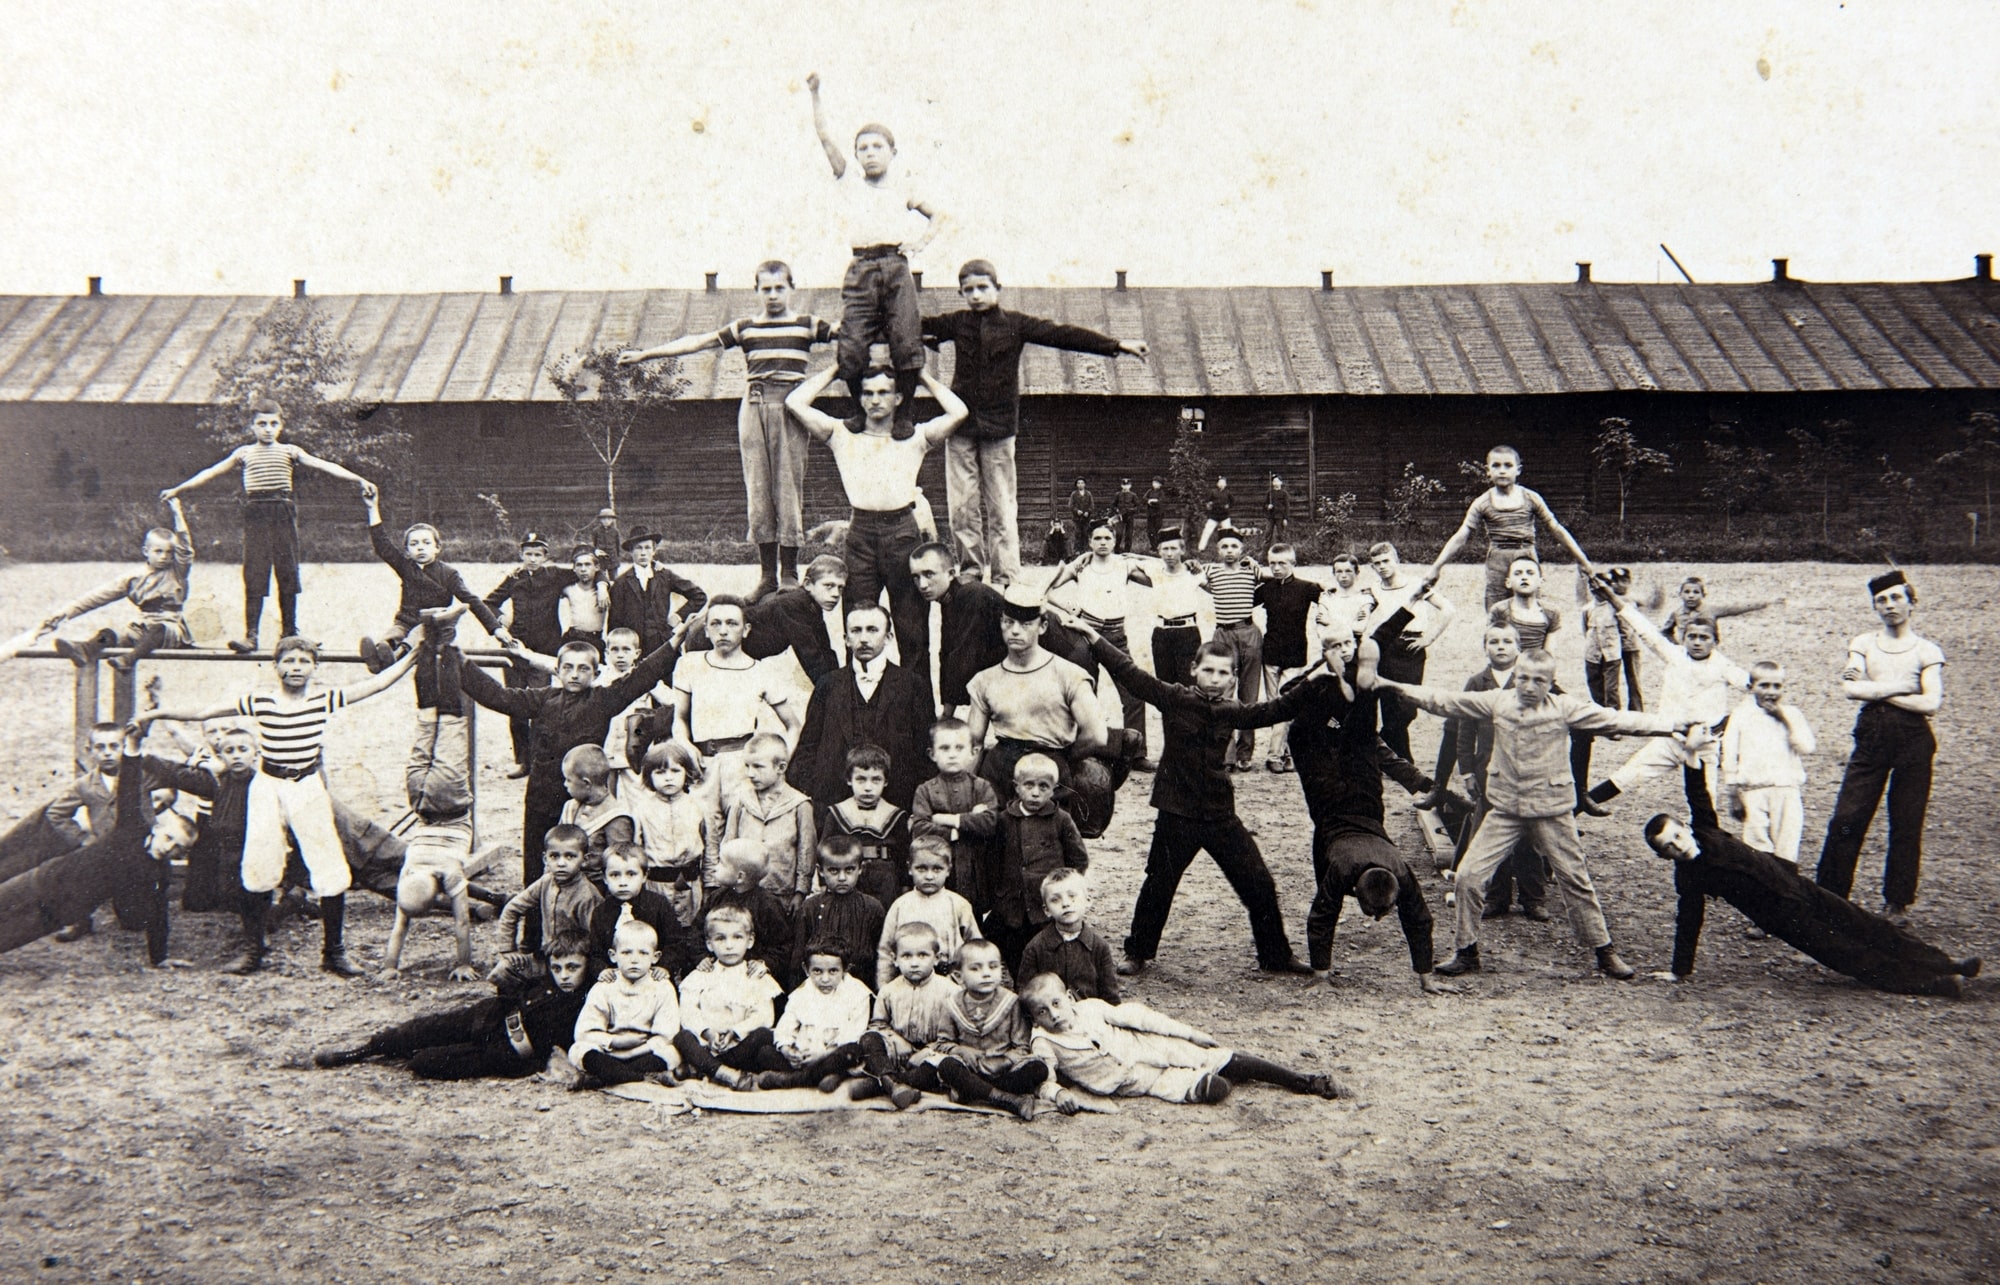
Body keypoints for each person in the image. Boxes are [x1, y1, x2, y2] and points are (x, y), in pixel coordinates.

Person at [1365, 647, 1697, 979]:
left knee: (1575, 879)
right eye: (1523, 678)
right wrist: (1388, 685)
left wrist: (1671, 726)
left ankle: (1604, 951)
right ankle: (1466, 951)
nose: (1528, 686)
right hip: (1506, 810)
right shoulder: (1498, 701)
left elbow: (1620, 719)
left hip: (1550, 811)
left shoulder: (1565, 708)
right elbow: (1443, 701)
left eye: (1538, 680)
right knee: (1467, 876)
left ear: (1551, 683)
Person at [138, 630, 427, 976]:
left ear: (315, 668)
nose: (296, 667)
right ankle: (253, 950)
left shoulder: (324, 699)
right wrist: (156, 714)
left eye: (304, 661)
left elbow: (377, 685)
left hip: (306, 786)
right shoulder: (262, 701)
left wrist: (415, 655)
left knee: (330, 867)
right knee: (258, 865)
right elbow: (205, 711)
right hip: (267, 787)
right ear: (275, 666)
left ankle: (333, 952)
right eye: (288, 661)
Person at [1071, 620, 1319, 978]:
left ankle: (1275, 957)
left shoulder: (1235, 710)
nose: (1215, 678)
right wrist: (1094, 638)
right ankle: (1138, 953)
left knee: (1259, 882)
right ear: (1194, 671)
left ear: (1234, 678)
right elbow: (1131, 674)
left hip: (1219, 814)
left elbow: (1279, 708)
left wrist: (1320, 675)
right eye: (1208, 671)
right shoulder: (1175, 697)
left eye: (1223, 673)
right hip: (1176, 813)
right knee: (1159, 883)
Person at [1647, 751, 1978, 997]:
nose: (1678, 847)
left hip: (1801, 888)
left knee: (1868, 925)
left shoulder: (1705, 828)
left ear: (1685, 828)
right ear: (1665, 857)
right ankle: (1937, 984)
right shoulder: (1689, 879)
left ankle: (1948, 963)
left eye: (1677, 836)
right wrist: (1679, 971)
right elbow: (1689, 923)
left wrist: (1692, 755)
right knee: (1851, 955)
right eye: (1668, 848)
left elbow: (1697, 793)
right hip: (1785, 920)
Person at [618, 259, 837, 598]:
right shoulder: (746, 327)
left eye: (780, 288)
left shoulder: (808, 326)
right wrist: (646, 354)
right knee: (759, 489)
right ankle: (767, 575)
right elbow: (698, 342)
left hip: (792, 409)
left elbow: (851, 334)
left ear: (792, 288)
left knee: (788, 487)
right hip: (753, 406)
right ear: (757, 291)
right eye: (767, 289)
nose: (774, 295)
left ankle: (790, 572)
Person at [455, 618, 687, 883]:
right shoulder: (542, 699)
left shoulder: (602, 700)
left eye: (582, 669)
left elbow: (641, 677)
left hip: (582, 801)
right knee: (536, 865)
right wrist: (462, 664)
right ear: (558, 670)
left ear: (595, 673)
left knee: (583, 866)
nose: (574, 674)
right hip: (541, 797)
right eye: (568, 667)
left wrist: (675, 641)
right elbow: (499, 697)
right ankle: (535, 924)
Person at [1281, 626, 1446, 992]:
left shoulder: (1398, 871)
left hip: (1352, 801)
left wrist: (1423, 783)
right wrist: (1426, 977)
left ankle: (1363, 691)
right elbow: (1417, 920)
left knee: (1354, 731)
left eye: (1346, 647)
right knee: (1329, 729)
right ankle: (1361, 692)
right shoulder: (1369, 871)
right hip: (1337, 787)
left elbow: (1325, 914)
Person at [785, 361, 969, 666]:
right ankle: (859, 708)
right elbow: (795, 402)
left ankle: (918, 711)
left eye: (884, 392)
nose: (875, 399)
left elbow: (959, 412)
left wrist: (921, 376)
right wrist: (837, 369)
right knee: (858, 626)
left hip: (903, 532)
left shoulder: (915, 437)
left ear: (898, 397)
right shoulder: (840, 434)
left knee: (912, 630)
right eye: (867, 392)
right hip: (860, 535)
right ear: (859, 397)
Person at [159, 398, 372, 652]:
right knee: (255, 571)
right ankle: (251, 636)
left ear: (281, 426)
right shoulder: (244, 453)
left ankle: (290, 633)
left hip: (282, 510)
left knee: (287, 571)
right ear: (252, 426)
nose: (267, 429)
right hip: (256, 513)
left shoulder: (290, 451)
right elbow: (212, 471)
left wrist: (359, 479)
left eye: (273, 423)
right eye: (261, 424)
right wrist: (178, 488)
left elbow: (324, 465)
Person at [807, 72, 946, 435]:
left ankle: (906, 414)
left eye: (877, 147)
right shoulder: (848, 181)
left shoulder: (903, 185)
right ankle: (856, 410)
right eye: (863, 148)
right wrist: (816, 93)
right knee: (851, 348)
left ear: (892, 152)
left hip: (897, 269)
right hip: (861, 270)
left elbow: (938, 215)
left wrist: (918, 244)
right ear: (855, 155)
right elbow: (824, 136)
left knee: (906, 345)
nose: (869, 154)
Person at [0, 723, 194, 965]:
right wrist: (133, 746)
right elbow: (129, 787)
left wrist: (160, 958)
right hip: (43, 880)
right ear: (157, 827)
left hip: (62, 911)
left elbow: (158, 915)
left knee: (8, 937)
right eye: (168, 839)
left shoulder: (158, 871)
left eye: (177, 849)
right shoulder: (131, 827)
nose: (168, 848)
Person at [1814, 570, 1944, 922]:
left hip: (1914, 742)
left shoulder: (1927, 650)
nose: (1889, 605)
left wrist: (1879, 688)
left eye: (1896, 598)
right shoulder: (1864, 643)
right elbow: (1850, 688)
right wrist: (1902, 687)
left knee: (1906, 822)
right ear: (1875, 607)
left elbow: (1931, 703)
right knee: (1847, 817)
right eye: (1881, 600)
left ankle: (1897, 902)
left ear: (1911, 602)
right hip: (1871, 738)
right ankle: (1829, 898)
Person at [1020, 975, 1346, 1109]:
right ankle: (1208, 1080)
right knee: (1211, 1089)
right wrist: (1058, 1093)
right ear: (1035, 1017)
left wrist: (1189, 1033)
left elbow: (1142, 1017)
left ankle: (1302, 1080)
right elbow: (1040, 1078)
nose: (1054, 1014)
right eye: (1043, 1011)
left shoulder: (1091, 1008)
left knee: (1222, 1057)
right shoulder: (1044, 1041)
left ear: (1069, 997)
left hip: (1149, 1046)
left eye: (1057, 1003)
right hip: (1137, 1081)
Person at [312, 930, 595, 1081]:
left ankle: (403, 1054)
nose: (564, 975)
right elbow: (508, 989)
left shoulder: (587, 1003)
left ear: (587, 966)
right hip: (488, 1017)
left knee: (426, 1062)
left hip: (503, 1050)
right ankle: (361, 1052)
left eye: (573, 967)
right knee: (424, 1027)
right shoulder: (543, 981)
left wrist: (527, 1065)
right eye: (557, 968)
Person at [1581, 582, 1749, 815]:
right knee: (1625, 776)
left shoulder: (1724, 666)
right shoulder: (1674, 654)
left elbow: (1752, 685)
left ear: (1715, 642)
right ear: (1684, 638)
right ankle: (1571, 814)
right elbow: (1642, 626)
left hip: (1703, 746)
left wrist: (1730, 720)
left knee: (1705, 801)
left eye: (1704, 637)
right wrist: (1610, 595)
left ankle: (1705, 847)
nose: (1697, 642)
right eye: (1692, 637)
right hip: (1669, 740)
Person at [965, 586, 1116, 834]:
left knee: (1048, 853)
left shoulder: (1070, 675)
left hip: (1050, 774)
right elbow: (974, 743)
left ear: (1043, 626)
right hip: (1000, 773)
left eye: (1025, 624)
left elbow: (1097, 734)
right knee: (997, 852)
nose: (1015, 630)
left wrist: (1063, 758)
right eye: (1008, 622)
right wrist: (967, 792)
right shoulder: (984, 680)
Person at [1433, 620, 1549, 920]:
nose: (1500, 647)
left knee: (1529, 836)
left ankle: (1533, 898)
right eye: (1494, 642)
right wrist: (1468, 771)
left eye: (1507, 642)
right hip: (1489, 773)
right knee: (1491, 836)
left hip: (1526, 772)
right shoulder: (1476, 683)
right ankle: (1496, 898)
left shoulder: (1530, 680)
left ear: (1519, 647)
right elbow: (1464, 730)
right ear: (1485, 647)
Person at [787, 603, 934, 819]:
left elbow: (925, 749)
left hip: (896, 802)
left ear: (889, 636)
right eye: (856, 631)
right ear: (846, 639)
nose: (864, 638)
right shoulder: (828, 684)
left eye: (872, 630)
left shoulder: (913, 685)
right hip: (833, 803)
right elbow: (808, 745)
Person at [663, 595, 799, 816]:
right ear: (706, 630)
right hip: (702, 765)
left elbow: (793, 725)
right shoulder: (690, 663)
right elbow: (679, 717)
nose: (723, 631)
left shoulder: (760, 671)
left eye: (732, 623)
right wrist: (685, 745)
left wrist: (778, 764)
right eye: (715, 623)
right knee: (703, 833)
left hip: (742, 768)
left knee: (741, 833)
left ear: (745, 630)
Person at [358, 487, 511, 681]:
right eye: (414, 544)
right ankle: (381, 655)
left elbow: (472, 601)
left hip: (436, 627)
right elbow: (383, 546)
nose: (420, 547)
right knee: (394, 633)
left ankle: (391, 659)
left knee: (417, 634)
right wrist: (372, 508)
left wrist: (496, 629)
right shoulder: (406, 567)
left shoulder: (449, 574)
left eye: (426, 543)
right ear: (406, 551)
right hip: (406, 622)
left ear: (437, 547)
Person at [1426, 444, 1596, 610]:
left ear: (1518, 470)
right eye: (1496, 465)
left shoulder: (1531, 498)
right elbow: (1461, 536)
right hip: (1498, 559)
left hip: (1527, 555)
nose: (1502, 470)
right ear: (1488, 471)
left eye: (1508, 465)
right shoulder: (1482, 502)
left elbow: (1556, 529)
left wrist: (1583, 561)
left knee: (1530, 611)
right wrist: (1436, 568)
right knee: (1497, 611)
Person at [39, 498, 194, 672]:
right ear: (146, 551)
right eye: (158, 551)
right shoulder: (133, 578)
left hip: (171, 628)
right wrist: (64, 613)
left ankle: (129, 660)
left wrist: (177, 513)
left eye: (169, 552)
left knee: (158, 629)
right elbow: (96, 597)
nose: (164, 556)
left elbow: (186, 550)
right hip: (141, 627)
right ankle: (84, 649)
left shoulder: (177, 572)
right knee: (109, 634)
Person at [1046, 521, 1154, 761]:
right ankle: (1086, 752)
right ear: (1090, 542)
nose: (1103, 543)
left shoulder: (1124, 565)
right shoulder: (1081, 566)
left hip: (1117, 636)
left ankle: (1137, 755)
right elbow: (1047, 588)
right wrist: (1066, 606)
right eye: (1098, 538)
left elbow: (1160, 577)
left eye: (1107, 538)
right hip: (1085, 634)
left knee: (1134, 693)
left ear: (1115, 542)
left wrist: (1136, 556)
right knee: (1085, 693)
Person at [906, 937, 1049, 1119]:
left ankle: (974, 1091)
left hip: (1003, 1070)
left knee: (1037, 1069)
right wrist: (961, 1050)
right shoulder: (952, 1005)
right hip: (970, 1068)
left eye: (993, 967)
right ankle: (1006, 1099)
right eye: (975, 968)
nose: (986, 974)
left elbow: (1022, 1046)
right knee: (947, 1066)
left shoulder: (1011, 1002)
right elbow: (943, 1043)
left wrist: (1005, 1060)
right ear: (959, 976)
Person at [987, 753, 1090, 973]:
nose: (1035, 793)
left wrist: (1063, 886)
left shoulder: (1060, 819)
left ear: (1053, 789)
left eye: (1043, 787)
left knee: (1046, 951)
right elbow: (994, 859)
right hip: (1013, 902)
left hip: (1044, 903)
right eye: (1029, 785)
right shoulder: (1005, 819)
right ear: (1017, 787)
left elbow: (1078, 857)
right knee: (1014, 948)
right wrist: (999, 893)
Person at [483, 532, 572, 776]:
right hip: (515, 650)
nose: (532, 559)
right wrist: (501, 621)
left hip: (543, 651)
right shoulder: (514, 579)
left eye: (537, 554)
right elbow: (487, 603)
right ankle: (522, 761)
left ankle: (538, 760)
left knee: (539, 705)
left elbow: (593, 567)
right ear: (521, 554)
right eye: (528, 554)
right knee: (515, 705)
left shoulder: (555, 576)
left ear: (546, 557)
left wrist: (602, 584)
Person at [672, 904, 787, 1088]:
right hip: (707, 1045)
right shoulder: (701, 975)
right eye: (720, 938)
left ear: (750, 941)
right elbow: (688, 1012)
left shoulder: (756, 976)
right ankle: (726, 1073)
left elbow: (764, 1016)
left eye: (737, 937)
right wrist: (707, 1033)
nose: (729, 945)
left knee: (764, 1035)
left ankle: (706, 1069)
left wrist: (735, 1032)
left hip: (739, 1047)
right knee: (682, 1037)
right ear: (709, 944)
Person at [1365, 542, 1456, 763]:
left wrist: (1429, 638)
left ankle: (1381, 749)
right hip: (1386, 648)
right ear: (1372, 567)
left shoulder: (1415, 585)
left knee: (1407, 706)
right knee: (1389, 702)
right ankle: (1402, 759)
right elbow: (1361, 612)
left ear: (1397, 561)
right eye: (1377, 564)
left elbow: (1448, 609)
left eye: (1386, 561)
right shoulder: (1374, 589)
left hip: (1411, 647)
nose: (1382, 567)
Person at [1719, 662, 1817, 867]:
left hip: (1786, 791)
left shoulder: (1792, 714)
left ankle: (1786, 893)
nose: (1770, 692)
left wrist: (1783, 719)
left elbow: (1807, 747)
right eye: (1764, 685)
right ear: (1751, 687)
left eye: (1776, 686)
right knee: (1757, 849)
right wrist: (1733, 793)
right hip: (1754, 792)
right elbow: (1729, 755)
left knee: (1786, 850)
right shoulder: (1741, 715)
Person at [568, 918, 684, 1088]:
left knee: (671, 1053)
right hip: (609, 1051)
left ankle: (606, 1078)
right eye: (626, 953)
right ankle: (637, 1077)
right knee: (578, 1050)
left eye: (643, 953)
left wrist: (641, 1047)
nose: (634, 960)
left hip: (645, 1050)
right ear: (613, 956)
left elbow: (667, 1033)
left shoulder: (662, 987)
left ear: (655, 957)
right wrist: (613, 1041)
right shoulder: (604, 986)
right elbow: (584, 1031)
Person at [858, 923, 962, 1109]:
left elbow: (955, 1034)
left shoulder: (950, 991)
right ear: (895, 959)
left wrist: (927, 1051)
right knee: (869, 1039)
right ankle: (891, 1081)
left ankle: (886, 1083)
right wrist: (897, 1040)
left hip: (932, 1054)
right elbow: (878, 1025)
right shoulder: (889, 991)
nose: (914, 963)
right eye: (906, 956)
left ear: (936, 958)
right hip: (897, 1053)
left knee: (936, 1070)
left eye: (922, 955)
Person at [490, 825, 604, 994]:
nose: (561, 863)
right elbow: (512, 909)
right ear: (545, 859)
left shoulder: (587, 895)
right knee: (502, 972)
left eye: (570, 856)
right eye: (554, 856)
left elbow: (595, 939)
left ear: (584, 859)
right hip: (546, 959)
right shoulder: (545, 882)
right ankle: (519, 1010)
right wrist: (508, 949)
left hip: (572, 964)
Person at [909, 716, 1001, 920]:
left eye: (959, 748)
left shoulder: (982, 788)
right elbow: (920, 828)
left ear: (973, 752)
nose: (952, 755)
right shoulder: (925, 790)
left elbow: (990, 822)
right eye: (945, 748)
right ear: (932, 754)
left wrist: (948, 819)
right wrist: (962, 828)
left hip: (975, 871)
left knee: (970, 920)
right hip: (940, 873)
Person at [758, 942, 874, 1091]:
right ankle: (825, 1076)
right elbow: (785, 1027)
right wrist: (788, 1051)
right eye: (817, 971)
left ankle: (793, 1080)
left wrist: (822, 1055)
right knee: (765, 1052)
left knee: (851, 1052)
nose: (825, 979)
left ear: (845, 969)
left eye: (833, 971)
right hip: (805, 1054)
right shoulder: (801, 993)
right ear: (806, 970)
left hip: (833, 1053)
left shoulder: (858, 993)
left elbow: (853, 1034)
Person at [720, 731, 816, 910]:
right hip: (744, 892)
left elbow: (806, 851)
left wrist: (800, 891)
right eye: (747, 766)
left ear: (781, 768)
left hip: (781, 894)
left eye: (758, 767)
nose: (750, 773)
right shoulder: (741, 801)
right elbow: (728, 843)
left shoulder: (800, 805)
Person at [908, 543, 1007, 718]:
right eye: (916, 577)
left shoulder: (970, 594)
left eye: (929, 574)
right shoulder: (951, 597)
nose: (922, 585)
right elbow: (947, 653)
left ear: (951, 573)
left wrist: (946, 715)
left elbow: (963, 655)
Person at [584, 842, 702, 982]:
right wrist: (602, 970)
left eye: (631, 874)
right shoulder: (601, 912)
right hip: (616, 980)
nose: (623, 882)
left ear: (645, 876)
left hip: (653, 977)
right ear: (604, 878)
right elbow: (595, 951)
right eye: (615, 875)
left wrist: (664, 967)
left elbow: (675, 942)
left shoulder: (658, 905)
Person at [816, 744, 912, 910]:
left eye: (876, 780)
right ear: (849, 780)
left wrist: (905, 885)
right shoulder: (837, 814)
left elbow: (903, 854)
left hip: (886, 878)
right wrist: (824, 883)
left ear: (886, 781)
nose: (868, 787)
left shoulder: (896, 816)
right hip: (848, 875)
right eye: (861, 779)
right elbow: (824, 851)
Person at [876, 836, 980, 988]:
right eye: (921, 868)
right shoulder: (900, 906)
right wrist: (884, 988)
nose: (929, 876)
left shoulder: (959, 904)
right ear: (910, 868)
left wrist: (967, 985)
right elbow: (886, 951)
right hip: (908, 983)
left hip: (950, 982)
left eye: (937, 869)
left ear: (948, 870)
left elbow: (975, 947)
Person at [1200, 526, 1265, 771]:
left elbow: (1271, 578)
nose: (1229, 551)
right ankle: (1224, 755)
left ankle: (1244, 753)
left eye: (1234, 546)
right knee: (1223, 693)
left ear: (1242, 549)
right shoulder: (1210, 571)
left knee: (1248, 696)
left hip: (1248, 632)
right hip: (1223, 633)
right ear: (1217, 550)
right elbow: (1184, 573)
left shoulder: (1251, 571)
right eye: (1224, 546)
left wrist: (1256, 563)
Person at [1255, 543, 1324, 773]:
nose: (1276, 568)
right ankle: (1282, 755)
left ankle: (1275, 755)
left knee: (1288, 706)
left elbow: (1333, 599)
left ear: (1293, 564)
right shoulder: (1266, 588)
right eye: (1272, 563)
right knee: (1276, 706)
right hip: (1271, 655)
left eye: (1282, 563)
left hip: (1295, 656)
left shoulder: (1307, 588)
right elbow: (1242, 602)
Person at [738, 555, 849, 692]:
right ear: (808, 584)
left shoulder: (811, 605)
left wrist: (839, 681)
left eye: (840, 588)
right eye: (829, 586)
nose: (836, 594)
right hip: (723, 646)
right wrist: (835, 693)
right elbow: (810, 656)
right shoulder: (794, 605)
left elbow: (825, 649)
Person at [626, 739, 719, 899]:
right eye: (660, 772)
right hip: (655, 886)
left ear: (686, 772)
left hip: (691, 886)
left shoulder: (699, 806)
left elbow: (711, 847)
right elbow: (636, 850)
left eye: (675, 771)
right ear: (649, 776)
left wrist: (710, 884)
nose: (668, 778)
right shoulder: (642, 810)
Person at [790, 835, 886, 987]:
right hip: (819, 988)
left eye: (849, 870)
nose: (842, 878)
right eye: (834, 871)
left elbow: (880, 957)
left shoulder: (872, 908)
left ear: (860, 868)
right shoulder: (810, 908)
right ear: (820, 871)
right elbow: (798, 960)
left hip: (861, 989)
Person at [1016, 867, 1121, 1003]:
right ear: (1046, 910)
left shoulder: (1099, 947)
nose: (1065, 904)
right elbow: (1024, 994)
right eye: (1055, 900)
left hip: (1090, 1016)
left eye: (1072, 896)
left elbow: (1110, 996)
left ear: (1087, 901)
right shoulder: (1036, 948)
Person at [702, 841, 797, 983]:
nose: (715, 868)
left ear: (740, 877)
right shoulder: (716, 898)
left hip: (752, 976)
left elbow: (783, 945)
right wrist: (702, 957)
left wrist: (766, 962)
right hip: (718, 971)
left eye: (721, 864)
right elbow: (698, 932)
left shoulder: (768, 905)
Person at [606, 525, 707, 657]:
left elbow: (699, 596)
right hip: (633, 648)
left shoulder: (664, 575)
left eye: (647, 548)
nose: (643, 553)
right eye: (638, 548)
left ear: (654, 551)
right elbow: (615, 622)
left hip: (662, 643)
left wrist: (678, 616)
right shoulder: (621, 583)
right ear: (631, 551)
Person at [1146, 525, 1204, 702]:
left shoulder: (1194, 573)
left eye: (1173, 548)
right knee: (1166, 691)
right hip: (1162, 635)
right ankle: (1169, 730)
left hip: (1188, 633)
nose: (1169, 554)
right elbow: (1127, 559)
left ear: (1182, 550)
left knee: (1189, 689)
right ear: (1158, 552)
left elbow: (1216, 586)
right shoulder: (1154, 571)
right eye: (1165, 549)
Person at [557, 745, 636, 869]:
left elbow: (620, 865)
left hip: (596, 884)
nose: (565, 784)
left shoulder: (616, 817)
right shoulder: (570, 807)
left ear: (586, 783)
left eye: (568, 780)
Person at [1660, 575, 1776, 644]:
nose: (1691, 595)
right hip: (1686, 650)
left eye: (1696, 592)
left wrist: (1763, 604)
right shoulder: (1676, 613)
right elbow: (1665, 631)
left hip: (1708, 647)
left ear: (1703, 595)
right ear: (1680, 594)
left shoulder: (1711, 610)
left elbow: (1735, 608)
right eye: (1687, 592)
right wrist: (1675, 645)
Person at [1313, 553, 1376, 655]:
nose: (1343, 576)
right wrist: (1350, 625)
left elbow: (1360, 628)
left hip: (1356, 648)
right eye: (1339, 571)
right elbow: (1321, 630)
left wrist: (1330, 622)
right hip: (1332, 648)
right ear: (1333, 573)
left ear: (1357, 572)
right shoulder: (1326, 597)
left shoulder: (1365, 598)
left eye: (1348, 571)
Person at [558, 545, 612, 657]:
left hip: (595, 639)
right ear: (574, 568)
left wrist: (602, 587)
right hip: (573, 637)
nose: (583, 569)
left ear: (596, 567)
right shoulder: (567, 589)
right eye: (579, 565)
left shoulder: (605, 591)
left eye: (587, 564)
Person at [1197, 477, 1231, 552]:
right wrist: (1209, 505)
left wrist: (1228, 506)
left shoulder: (1228, 493)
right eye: (1220, 483)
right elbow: (1207, 502)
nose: (1222, 484)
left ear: (1225, 485)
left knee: (1227, 533)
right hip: (1214, 516)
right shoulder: (1213, 492)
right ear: (1217, 484)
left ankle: (1227, 549)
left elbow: (1232, 502)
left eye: (1223, 483)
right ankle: (1201, 548)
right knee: (1207, 531)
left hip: (1224, 516)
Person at [1113, 478, 1141, 553]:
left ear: (1130, 486)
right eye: (1124, 485)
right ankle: (1117, 550)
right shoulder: (1118, 495)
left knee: (1128, 535)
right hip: (1120, 517)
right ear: (1121, 486)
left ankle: (1127, 551)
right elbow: (1113, 505)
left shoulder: (1133, 495)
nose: (1125, 487)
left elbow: (1138, 506)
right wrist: (1117, 510)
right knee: (1119, 533)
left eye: (1127, 485)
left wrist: (1131, 510)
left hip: (1129, 517)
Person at [1264, 475, 1291, 548]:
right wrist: (1268, 507)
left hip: (1280, 516)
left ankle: (1282, 551)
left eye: (1277, 481)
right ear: (1272, 483)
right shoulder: (1269, 493)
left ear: (1281, 483)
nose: (1275, 483)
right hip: (1270, 517)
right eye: (1274, 481)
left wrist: (1285, 518)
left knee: (1280, 535)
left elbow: (1287, 506)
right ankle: (1265, 555)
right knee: (1268, 534)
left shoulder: (1284, 493)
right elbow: (1264, 505)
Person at [1068, 478, 1095, 548]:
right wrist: (1076, 511)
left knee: (1085, 533)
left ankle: (1085, 548)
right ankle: (1077, 549)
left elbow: (1092, 505)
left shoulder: (1088, 494)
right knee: (1077, 533)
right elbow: (1070, 505)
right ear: (1076, 485)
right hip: (1077, 518)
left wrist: (1088, 512)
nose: (1080, 485)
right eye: (1079, 483)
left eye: (1082, 483)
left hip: (1086, 518)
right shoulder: (1074, 494)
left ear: (1085, 484)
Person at [1143, 478, 1168, 552]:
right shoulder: (1149, 491)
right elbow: (1144, 498)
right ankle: (1153, 546)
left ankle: (1157, 547)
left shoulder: (1161, 492)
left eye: (1156, 483)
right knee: (1150, 531)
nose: (1154, 484)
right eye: (1153, 482)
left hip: (1158, 514)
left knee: (1157, 530)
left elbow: (1162, 501)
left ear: (1160, 485)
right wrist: (1148, 500)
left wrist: (1154, 500)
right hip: (1150, 514)